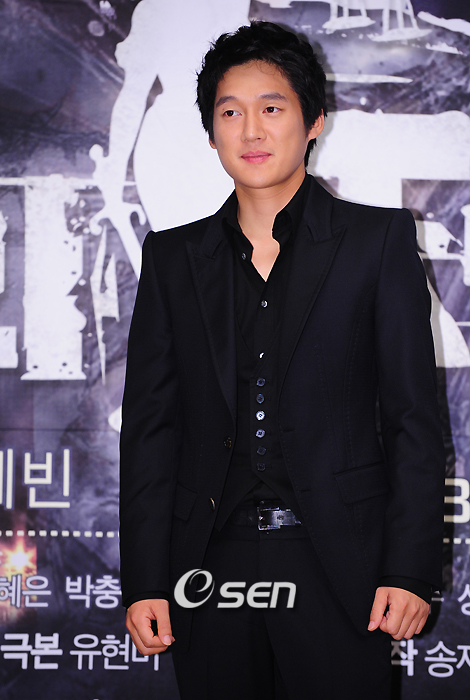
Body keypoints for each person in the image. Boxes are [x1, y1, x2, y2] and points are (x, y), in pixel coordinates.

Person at [119, 21, 445, 700]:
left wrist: (409, 568)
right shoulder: (173, 259)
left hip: (341, 562)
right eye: (230, 112)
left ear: (313, 120)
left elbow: (413, 418)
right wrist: (146, 580)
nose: (251, 130)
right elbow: (151, 430)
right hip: (209, 565)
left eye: (272, 108)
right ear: (211, 133)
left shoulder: (376, 242)